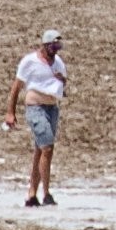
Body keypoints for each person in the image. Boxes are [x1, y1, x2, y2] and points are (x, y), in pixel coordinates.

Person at [11, 28, 68, 206]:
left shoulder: (57, 62)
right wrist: (10, 112)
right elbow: (16, 87)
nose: (55, 51)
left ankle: (31, 194)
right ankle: (47, 193)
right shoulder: (29, 61)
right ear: (45, 45)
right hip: (35, 107)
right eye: (53, 46)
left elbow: (62, 83)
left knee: (40, 150)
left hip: (52, 108)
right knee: (47, 148)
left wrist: (62, 80)